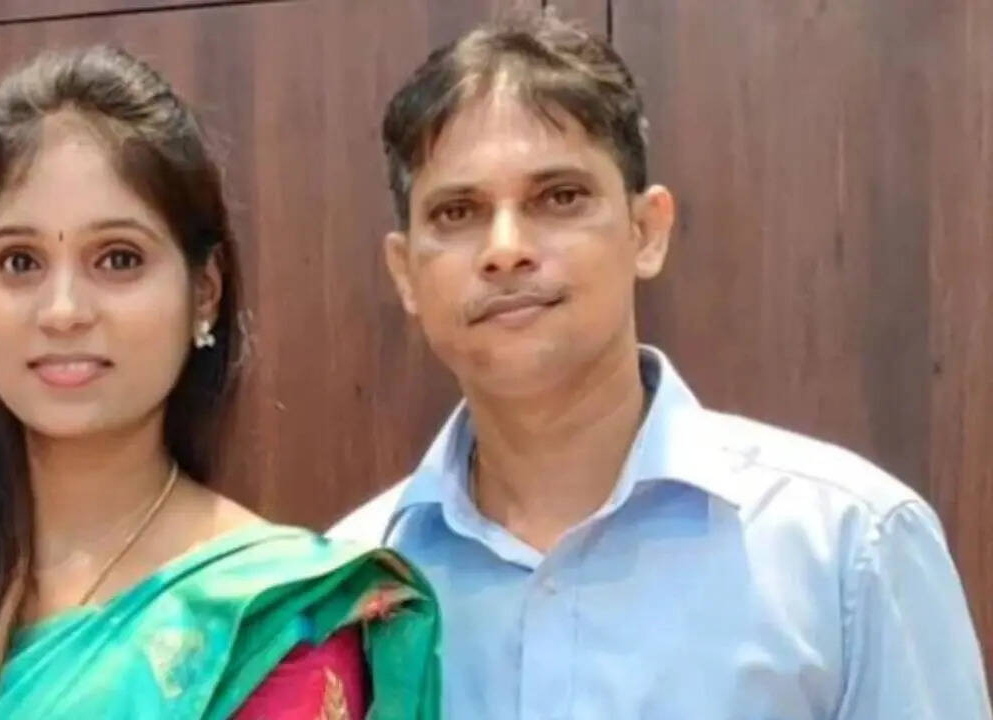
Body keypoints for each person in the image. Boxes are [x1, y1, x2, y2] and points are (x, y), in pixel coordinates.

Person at [330, 14, 990, 719]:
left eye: (559, 197)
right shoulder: (340, 589)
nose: (506, 249)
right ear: (405, 272)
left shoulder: (847, 546)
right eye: (458, 212)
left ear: (646, 232)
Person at [0, 46, 439, 720]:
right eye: (20, 262)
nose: (62, 311)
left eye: (117, 259)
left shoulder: (267, 626)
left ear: (204, 292)